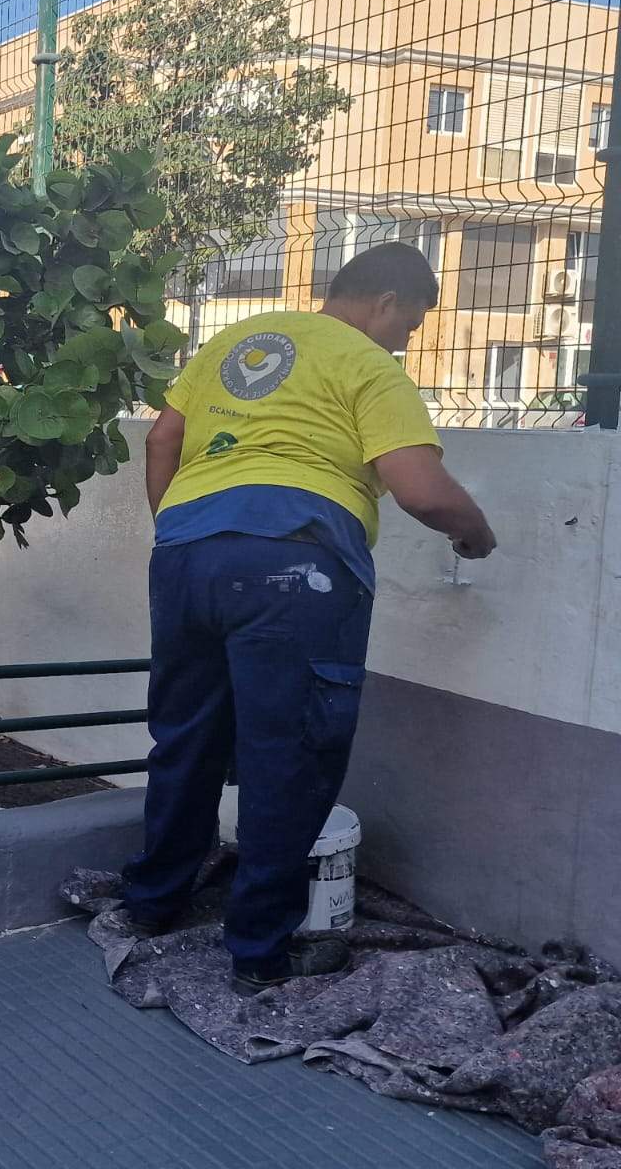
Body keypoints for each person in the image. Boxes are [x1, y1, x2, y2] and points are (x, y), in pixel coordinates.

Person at [125, 242, 497, 996]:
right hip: (296, 569)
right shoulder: (369, 367)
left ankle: (150, 906)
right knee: (286, 755)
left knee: (186, 736)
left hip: (188, 553)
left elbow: (164, 437)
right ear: (388, 301)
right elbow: (421, 489)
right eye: (413, 322)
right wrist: (475, 532)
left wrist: (181, 533)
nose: (408, 339)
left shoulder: (242, 339)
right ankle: (257, 952)